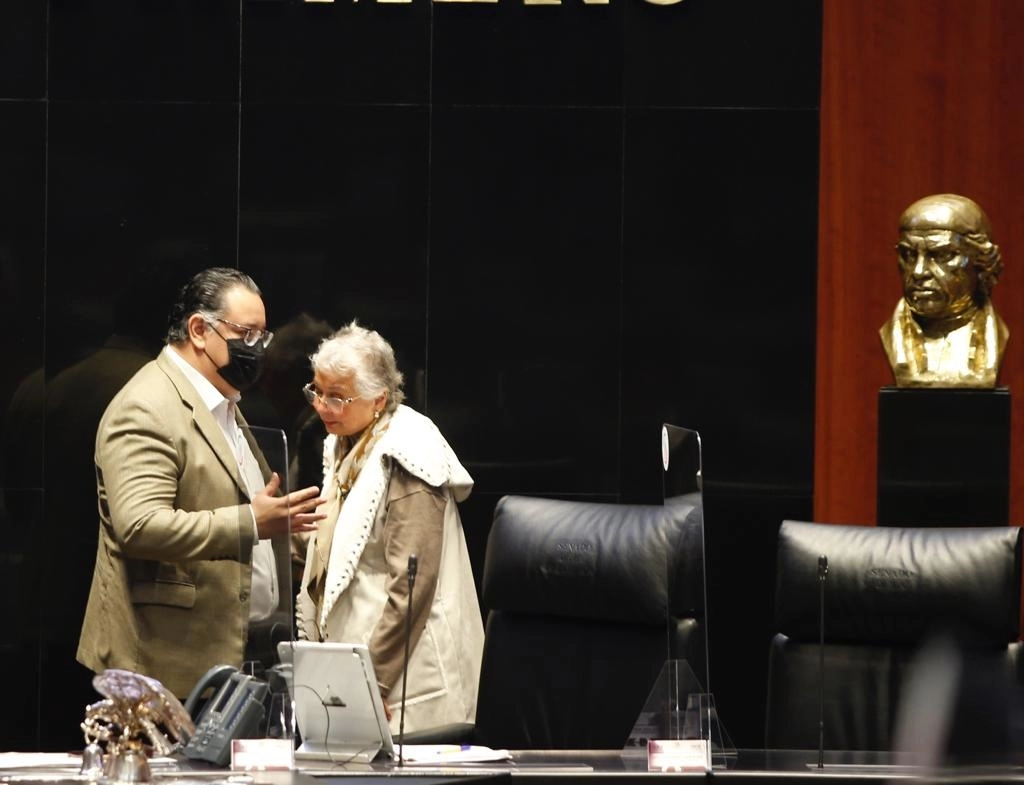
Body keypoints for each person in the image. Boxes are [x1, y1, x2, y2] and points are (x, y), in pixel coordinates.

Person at [77, 267, 325, 699]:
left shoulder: (222, 402)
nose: (257, 350)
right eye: (247, 335)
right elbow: (139, 526)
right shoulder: (146, 407)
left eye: (263, 338)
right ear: (198, 329)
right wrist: (250, 522)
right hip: (159, 670)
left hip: (228, 662)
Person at [295, 320, 483, 733]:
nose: (322, 406)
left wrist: (372, 681)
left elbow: (411, 586)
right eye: (317, 391)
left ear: (378, 399)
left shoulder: (407, 452)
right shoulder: (346, 438)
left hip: (406, 685)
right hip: (357, 671)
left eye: (337, 397)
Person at [880, 193, 1007, 387]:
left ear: (981, 262)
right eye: (909, 255)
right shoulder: (890, 336)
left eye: (941, 255)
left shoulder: (998, 338)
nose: (918, 271)